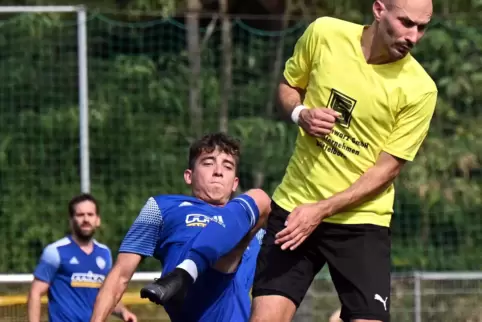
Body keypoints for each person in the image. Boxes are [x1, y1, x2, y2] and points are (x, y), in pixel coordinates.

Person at [250, 0, 437, 322]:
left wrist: (322, 210)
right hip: (296, 207)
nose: (414, 36)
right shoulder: (324, 33)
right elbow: (289, 85)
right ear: (379, 10)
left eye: (422, 27)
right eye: (406, 23)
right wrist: (301, 113)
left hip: (362, 221)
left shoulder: (420, 89)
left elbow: (387, 169)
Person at [90, 132, 271, 322]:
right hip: (193, 304)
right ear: (188, 176)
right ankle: (188, 271)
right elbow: (120, 274)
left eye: (228, 166)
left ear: (235, 183)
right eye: (208, 163)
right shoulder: (163, 207)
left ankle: (188, 270)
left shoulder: (256, 229)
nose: (218, 171)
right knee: (260, 199)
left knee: (263, 207)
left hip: (234, 311)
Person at [27, 193, 137, 322]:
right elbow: (35, 293)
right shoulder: (55, 251)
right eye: (80, 215)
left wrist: (123, 312)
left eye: (90, 214)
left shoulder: (104, 253)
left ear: (97, 220)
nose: (86, 219)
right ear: (71, 220)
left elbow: (107, 294)